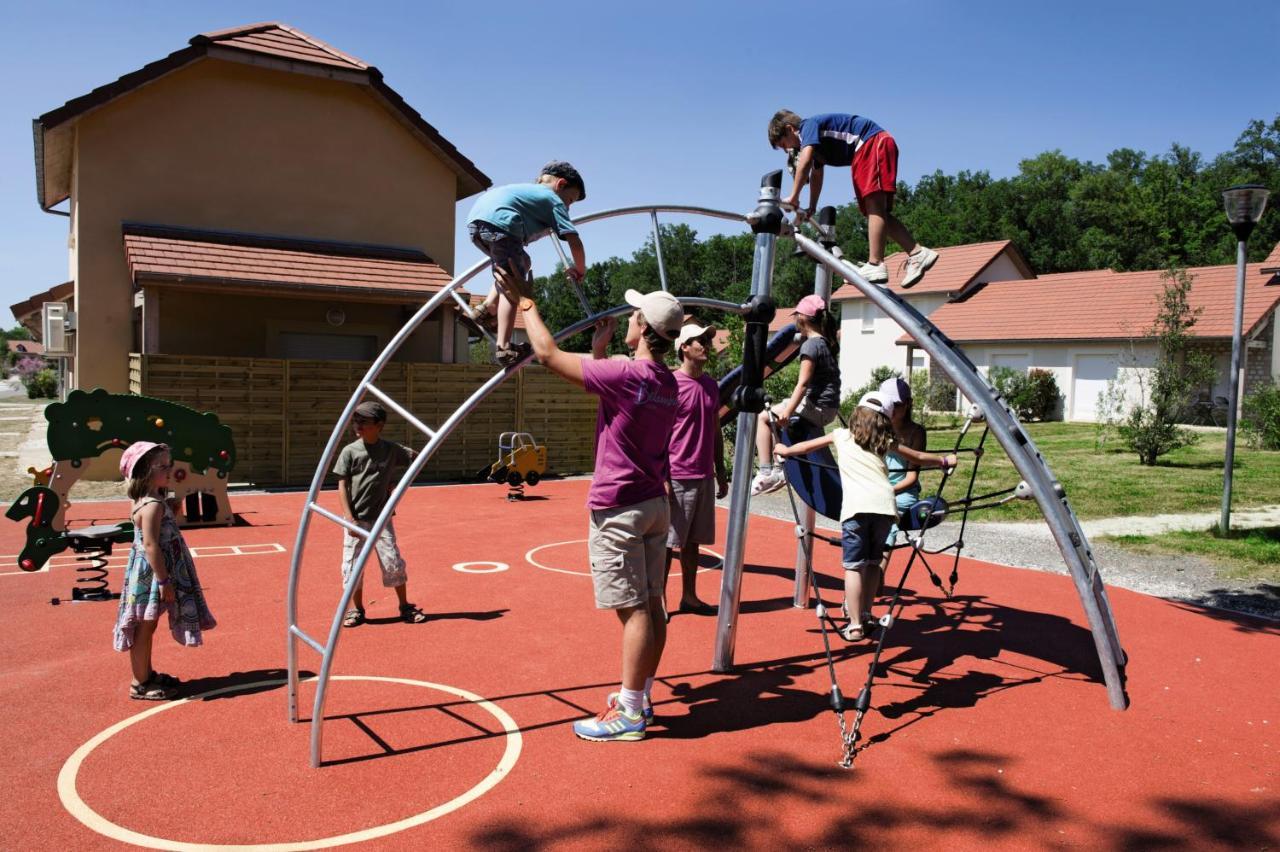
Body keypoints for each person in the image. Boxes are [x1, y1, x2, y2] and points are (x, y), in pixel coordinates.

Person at [523, 287, 684, 742]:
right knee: (653, 605)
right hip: (653, 504)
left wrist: (526, 305)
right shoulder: (666, 382)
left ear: (644, 328)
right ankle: (640, 695)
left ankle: (630, 713)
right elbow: (617, 394)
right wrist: (599, 348)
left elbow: (547, 353)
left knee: (633, 611)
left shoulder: (627, 375)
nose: (628, 319)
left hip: (620, 508)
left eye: (634, 315)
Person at [775, 392, 956, 642]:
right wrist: (944, 460)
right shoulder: (884, 440)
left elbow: (806, 447)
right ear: (882, 420)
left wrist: (785, 450)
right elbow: (918, 457)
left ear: (855, 416)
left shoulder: (841, 435)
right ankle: (868, 613)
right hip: (884, 508)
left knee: (853, 566)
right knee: (872, 563)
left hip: (856, 509)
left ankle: (856, 623)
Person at [767, 110, 938, 289]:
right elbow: (816, 174)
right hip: (866, 149)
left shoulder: (807, 127)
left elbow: (805, 160)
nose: (787, 150)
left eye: (784, 144)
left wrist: (794, 196)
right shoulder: (816, 146)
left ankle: (875, 264)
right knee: (875, 212)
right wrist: (812, 206)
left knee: (874, 207)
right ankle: (917, 253)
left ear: (790, 129)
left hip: (871, 143)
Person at [113, 441, 216, 700]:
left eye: (170, 464)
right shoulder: (152, 505)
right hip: (152, 576)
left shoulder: (150, 500)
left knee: (147, 626)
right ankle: (140, 682)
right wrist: (164, 580)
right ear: (146, 470)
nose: (170, 469)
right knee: (144, 628)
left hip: (147, 572)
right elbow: (150, 544)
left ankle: (146, 674)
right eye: (163, 466)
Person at [466, 161, 588, 367]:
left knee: (520, 262)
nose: (567, 206)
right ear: (561, 184)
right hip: (503, 223)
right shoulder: (552, 199)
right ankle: (504, 347)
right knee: (514, 285)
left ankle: (488, 307)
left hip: (477, 224)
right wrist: (580, 269)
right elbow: (574, 241)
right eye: (570, 200)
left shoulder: (528, 192)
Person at [334, 400, 427, 627]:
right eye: (356, 420)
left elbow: (419, 457)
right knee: (352, 566)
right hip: (357, 519)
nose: (358, 425)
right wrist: (348, 517)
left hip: (382, 518)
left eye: (363, 421)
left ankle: (405, 606)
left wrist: (395, 482)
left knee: (392, 561)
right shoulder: (350, 451)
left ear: (379, 425)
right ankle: (357, 609)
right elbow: (342, 485)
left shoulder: (391, 449)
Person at [664, 323, 729, 618]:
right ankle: (659, 600)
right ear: (683, 348)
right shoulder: (670, 384)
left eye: (706, 339)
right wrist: (661, 476)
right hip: (677, 476)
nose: (705, 344)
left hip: (703, 475)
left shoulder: (711, 386)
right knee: (666, 544)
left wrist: (721, 469)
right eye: (698, 340)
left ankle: (689, 597)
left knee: (692, 542)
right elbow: (659, 433)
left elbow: (715, 430)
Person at [751, 294, 841, 496]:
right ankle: (778, 468)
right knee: (777, 414)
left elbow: (803, 383)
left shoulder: (810, 345)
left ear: (802, 318)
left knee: (764, 418)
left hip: (815, 407)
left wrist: (788, 411)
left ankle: (768, 471)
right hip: (828, 408)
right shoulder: (826, 342)